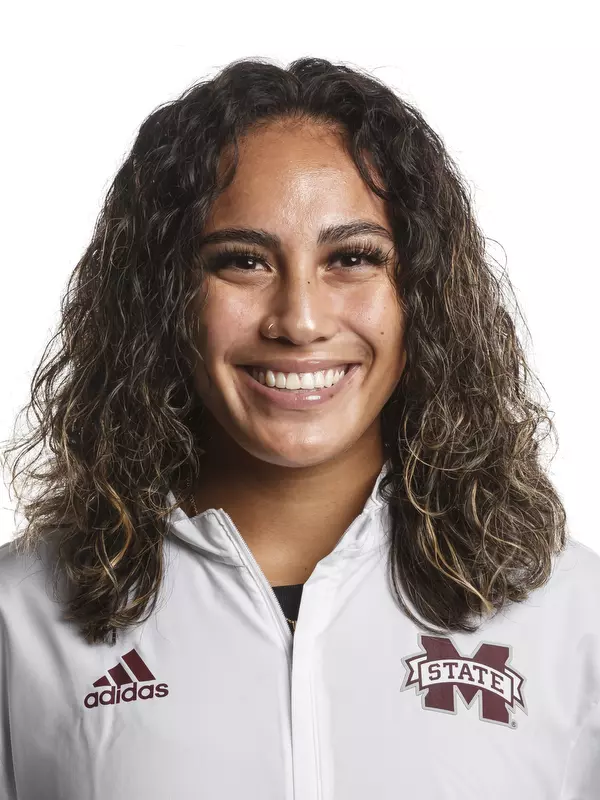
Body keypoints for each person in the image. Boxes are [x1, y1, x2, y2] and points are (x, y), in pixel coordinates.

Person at [0, 56, 598, 800]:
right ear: (163, 298)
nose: (300, 320)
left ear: (424, 294)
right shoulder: (19, 618)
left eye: (352, 257)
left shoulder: (572, 615)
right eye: (242, 262)